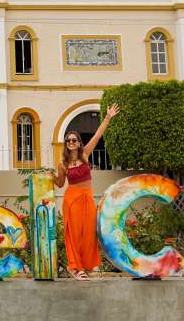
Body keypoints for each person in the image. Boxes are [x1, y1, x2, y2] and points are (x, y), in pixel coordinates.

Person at [53, 103, 119, 281]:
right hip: (72, 199)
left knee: (89, 233)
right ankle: (75, 267)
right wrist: (50, 175)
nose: (71, 143)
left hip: (87, 198)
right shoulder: (63, 164)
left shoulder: (85, 154)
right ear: (66, 144)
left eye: (74, 140)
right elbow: (60, 184)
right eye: (68, 141)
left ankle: (85, 265)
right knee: (74, 235)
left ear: (79, 143)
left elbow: (98, 135)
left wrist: (108, 117)